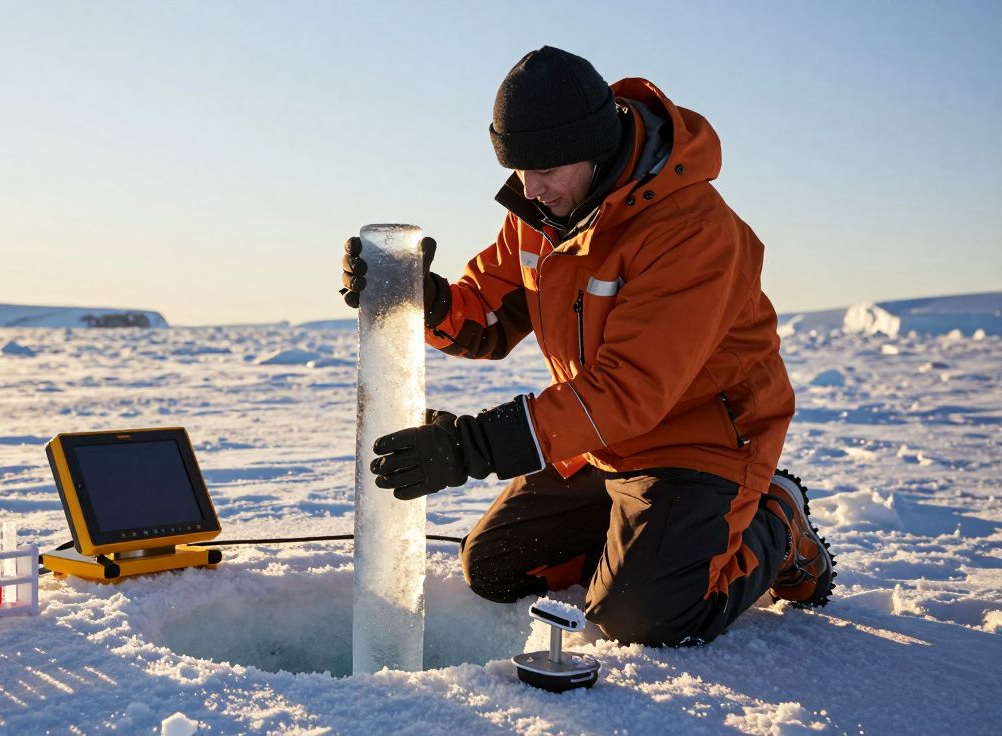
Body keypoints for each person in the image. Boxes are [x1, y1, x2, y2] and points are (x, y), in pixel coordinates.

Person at [340, 46, 834, 646]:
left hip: (702, 444)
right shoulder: (543, 214)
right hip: (601, 443)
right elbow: (489, 318)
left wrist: (471, 446)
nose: (531, 187)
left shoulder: (692, 231)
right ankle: (647, 541)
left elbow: (628, 391)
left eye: (546, 167)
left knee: (642, 616)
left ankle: (776, 519)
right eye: (519, 167)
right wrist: (425, 299)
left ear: (595, 146)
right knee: (494, 566)